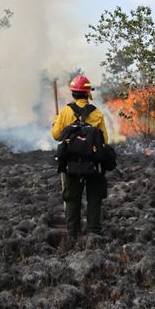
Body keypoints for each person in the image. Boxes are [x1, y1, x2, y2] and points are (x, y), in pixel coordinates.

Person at [51, 75, 109, 239]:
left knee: (71, 198)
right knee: (94, 198)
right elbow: (105, 140)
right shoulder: (96, 113)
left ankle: (72, 234)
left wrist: (56, 122)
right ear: (88, 93)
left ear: (73, 93)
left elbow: (56, 136)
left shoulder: (65, 111)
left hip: (71, 164)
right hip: (93, 165)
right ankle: (94, 232)